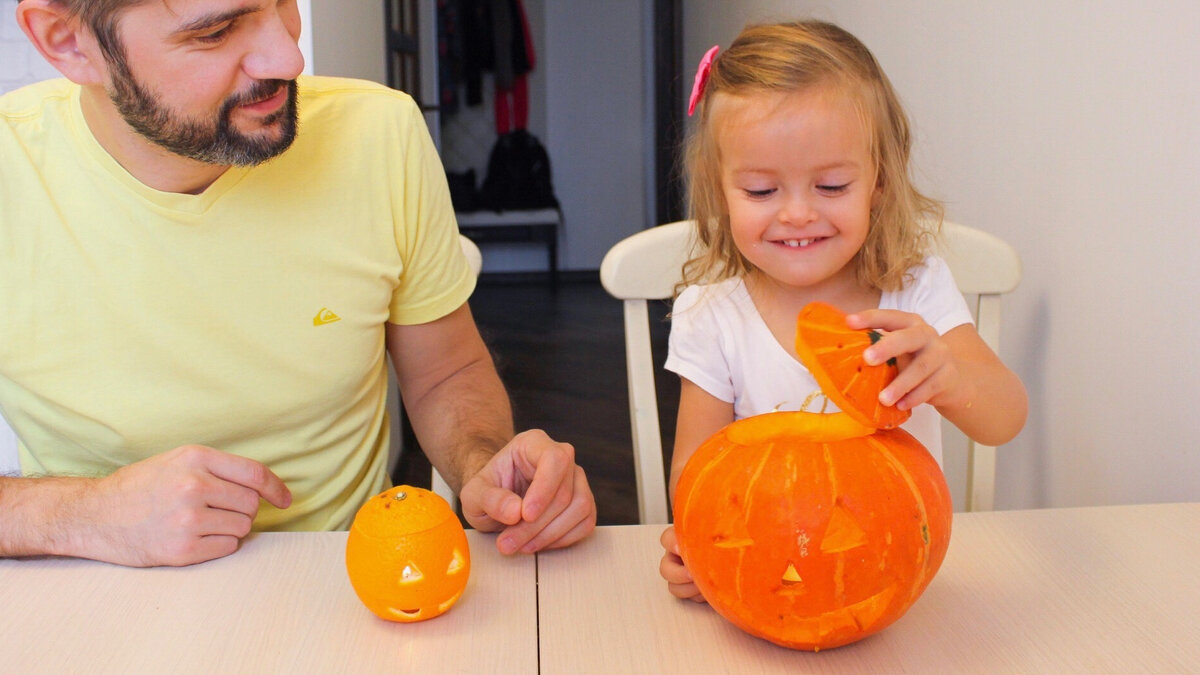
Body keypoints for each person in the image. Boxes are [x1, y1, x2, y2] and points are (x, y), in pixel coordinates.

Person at [0, 0, 595, 568]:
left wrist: (482, 463)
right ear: (67, 41)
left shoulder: (380, 131)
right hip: (90, 591)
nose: (288, 60)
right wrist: (90, 514)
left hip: (350, 581)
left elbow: (447, 372)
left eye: (281, 3)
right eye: (215, 32)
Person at [657, 20, 1027, 601]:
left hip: (897, 575)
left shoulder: (916, 288)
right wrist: (698, 543)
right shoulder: (711, 315)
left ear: (878, 180)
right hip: (773, 579)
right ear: (719, 189)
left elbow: (1005, 417)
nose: (798, 213)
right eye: (760, 191)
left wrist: (948, 378)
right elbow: (693, 473)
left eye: (830, 186)